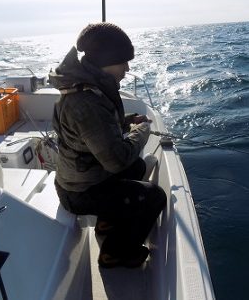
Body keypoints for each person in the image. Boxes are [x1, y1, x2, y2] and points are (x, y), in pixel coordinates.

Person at [50, 22, 167, 268]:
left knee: (135, 168)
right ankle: (115, 254)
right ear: (106, 61)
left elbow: (93, 132)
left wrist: (125, 123)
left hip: (82, 179)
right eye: (122, 62)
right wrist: (142, 130)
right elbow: (116, 161)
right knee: (153, 197)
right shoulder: (86, 102)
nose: (127, 69)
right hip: (78, 193)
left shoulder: (85, 91)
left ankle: (106, 222)